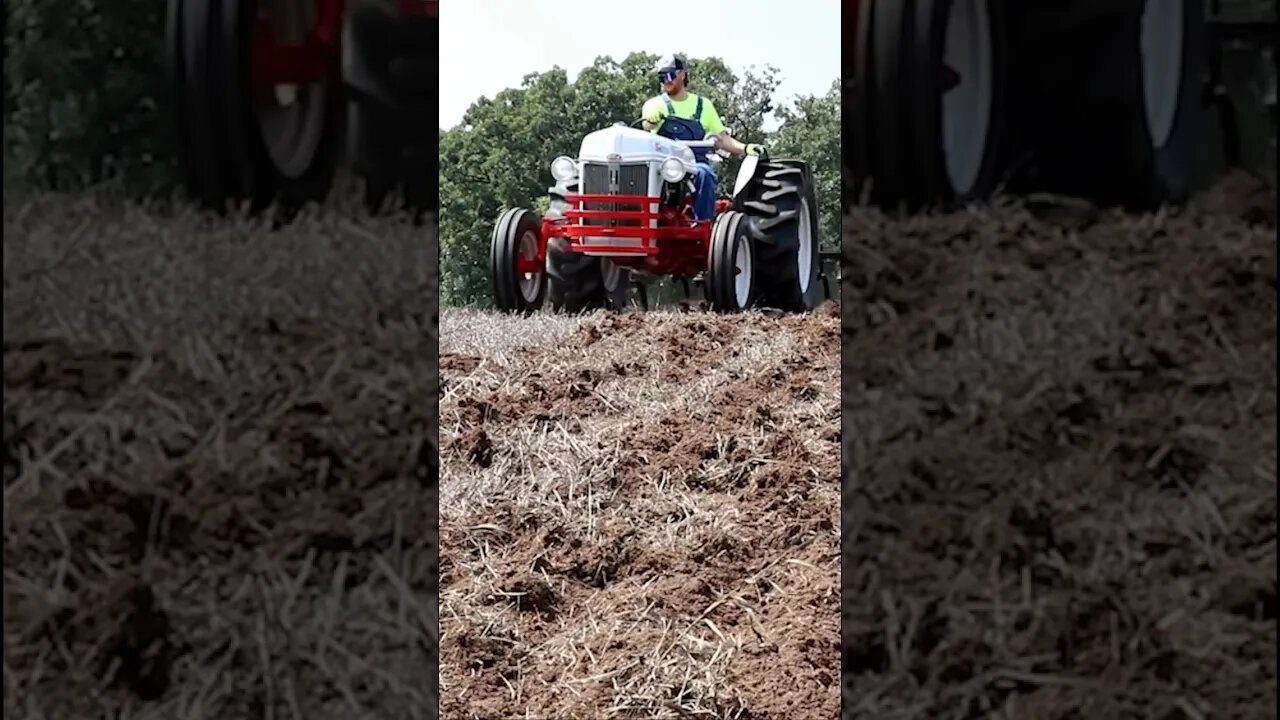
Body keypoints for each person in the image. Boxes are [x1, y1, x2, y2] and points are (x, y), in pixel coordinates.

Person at [641, 54, 764, 221]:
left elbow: (722, 138)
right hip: (663, 165)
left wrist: (745, 148)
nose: (666, 81)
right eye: (662, 77)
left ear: (682, 75)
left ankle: (702, 224)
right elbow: (646, 125)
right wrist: (650, 121)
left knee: (705, 174)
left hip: (694, 164)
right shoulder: (653, 105)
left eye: (670, 75)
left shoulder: (703, 106)